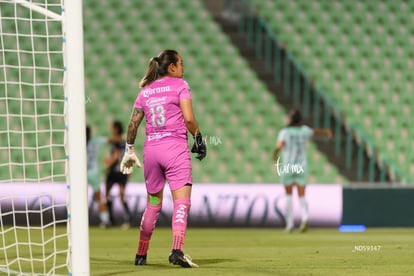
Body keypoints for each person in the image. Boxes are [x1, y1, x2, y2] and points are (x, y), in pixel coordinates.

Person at [120, 49, 206, 268]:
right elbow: (188, 118)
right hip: (174, 150)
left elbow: (133, 124)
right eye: (181, 63)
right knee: (181, 203)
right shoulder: (181, 85)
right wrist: (198, 138)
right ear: (172, 67)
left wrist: (129, 149)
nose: (183, 67)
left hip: (152, 153)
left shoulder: (145, 91)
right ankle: (177, 250)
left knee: (153, 204)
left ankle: (140, 255)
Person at [272, 110, 332, 233]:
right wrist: (326, 132)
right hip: (301, 166)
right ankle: (304, 218)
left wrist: (274, 155)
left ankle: (289, 224)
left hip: (288, 166)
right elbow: (315, 132)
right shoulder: (304, 130)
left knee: (288, 195)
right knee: (302, 195)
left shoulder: (285, 132)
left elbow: (279, 146)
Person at [104, 121, 132, 228]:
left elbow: (115, 156)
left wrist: (108, 163)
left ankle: (111, 220)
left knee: (107, 196)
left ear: (115, 129)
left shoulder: (116, 142)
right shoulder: (124, 142)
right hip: (122, 171)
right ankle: (127, 219)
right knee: (121, 196)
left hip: (114, 171)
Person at [86, 126, 110, 227]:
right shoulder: (95, 141)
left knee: (77, 198)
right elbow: (109, 140)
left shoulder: (76, 143)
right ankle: (105, 220)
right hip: (94, 173)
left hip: (81, 173)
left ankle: (75, 221)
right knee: (99, 198)